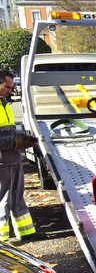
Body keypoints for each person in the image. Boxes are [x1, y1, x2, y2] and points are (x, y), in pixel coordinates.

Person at [0, 69, 39, 242]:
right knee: (3, 200)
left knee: (17, 195)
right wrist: (16, 142)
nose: (10, 90)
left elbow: (10, 130)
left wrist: (24, 137)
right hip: (2, 161)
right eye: (7, 87)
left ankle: (26, 232)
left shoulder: (4, 104)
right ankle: (3, 241)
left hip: (13, 159)